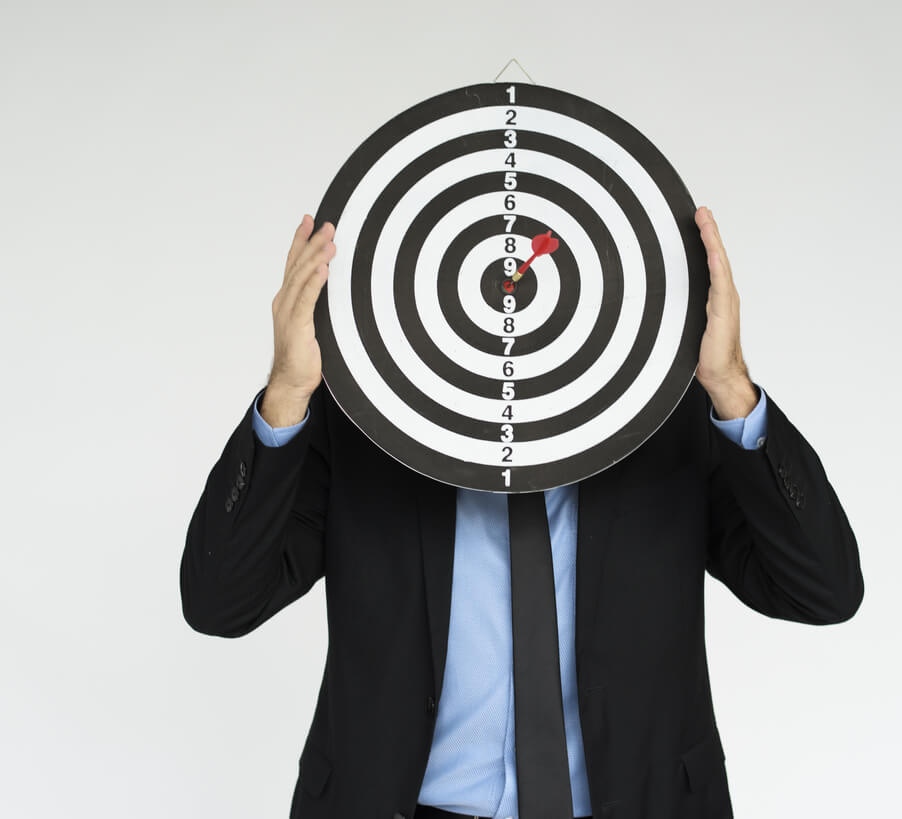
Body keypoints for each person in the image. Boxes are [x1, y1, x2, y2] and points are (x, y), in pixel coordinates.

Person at [180, 207, 863, 819]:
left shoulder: (668, 421)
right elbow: (219, 601)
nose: (514, 295)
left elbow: (823, 588)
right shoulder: (366, 426)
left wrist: (731, 388)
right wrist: (288, 394)